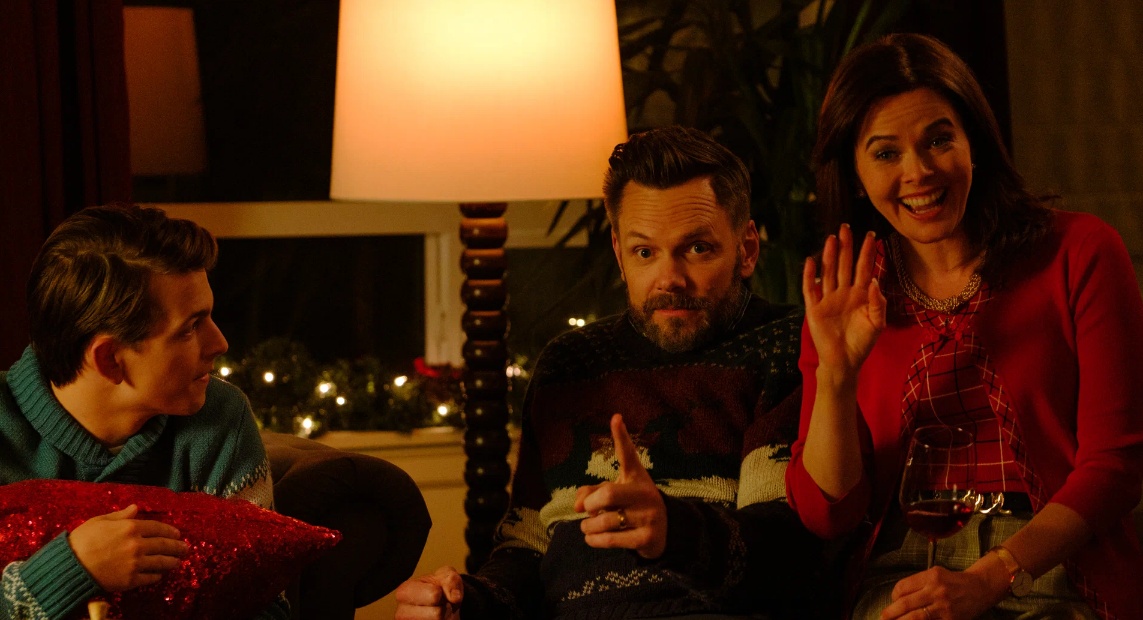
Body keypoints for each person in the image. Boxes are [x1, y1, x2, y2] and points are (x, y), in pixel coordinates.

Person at [395, 126, 822, 619]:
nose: (669, 279)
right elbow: (526, 551)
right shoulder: (569, 363)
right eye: (645, 252)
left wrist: (672, 530)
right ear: (620, 254)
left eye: (697, 249)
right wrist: (461, 603)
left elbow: (786, 556)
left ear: (746, 249)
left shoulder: (786, 346)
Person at [787, 33, 1143, 620]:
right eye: (885, 154)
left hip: (1054, 562)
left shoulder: (1080, 251)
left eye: (938, 140)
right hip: (903, 571)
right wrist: (836, 375)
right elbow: (827, 512)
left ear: (974, 141)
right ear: (854, 175)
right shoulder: (845, 297)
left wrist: (991, 577)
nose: (919, 172)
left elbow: (1116, 468)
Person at [0, 204, 286, 619]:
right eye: (190, 327)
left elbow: (265, 605)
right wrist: (69, 571)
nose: (220, 343)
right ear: (110, 359)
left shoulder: (221, 417)